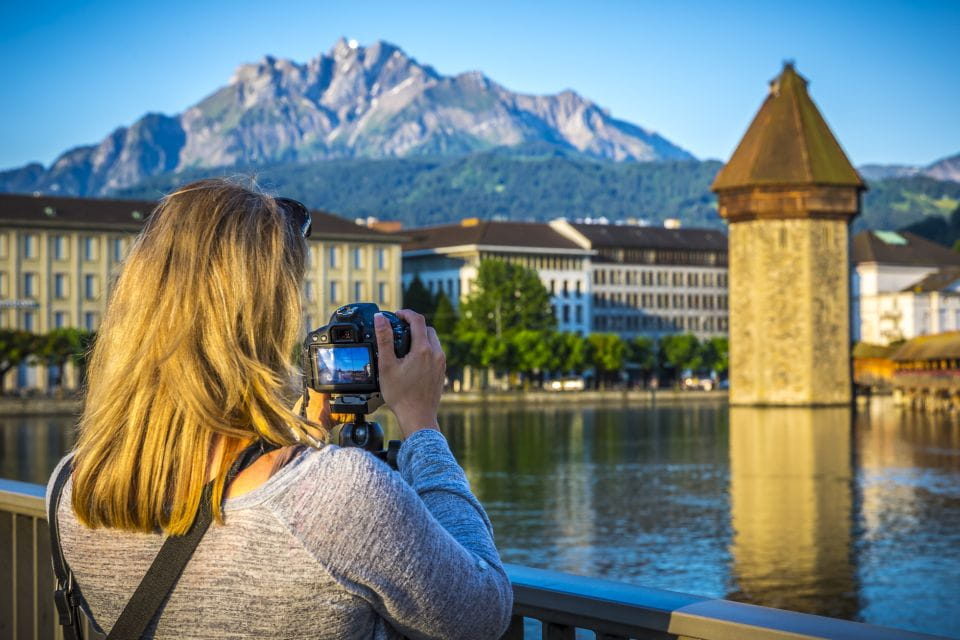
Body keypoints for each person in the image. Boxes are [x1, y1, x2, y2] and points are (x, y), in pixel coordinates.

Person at [45, 178, 513, 639]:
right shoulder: (341, 494)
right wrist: (421, 425)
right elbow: (482, 613)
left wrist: (302, 433)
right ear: (268, 317)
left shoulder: (71, 488)